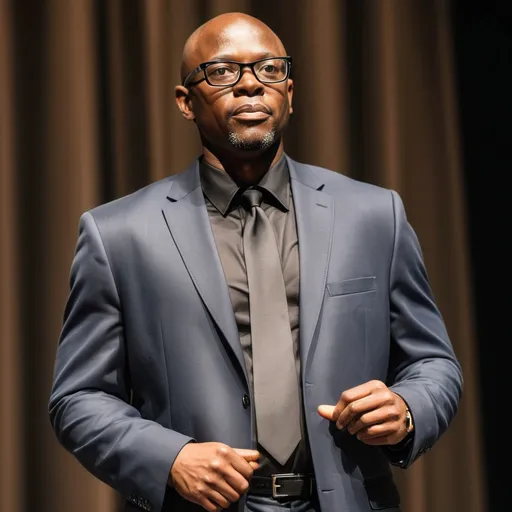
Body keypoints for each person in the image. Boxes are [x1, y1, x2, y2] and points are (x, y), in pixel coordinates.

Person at [48, 12, 463, 512]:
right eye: (223, 72)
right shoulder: (118, 234)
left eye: (269, 70)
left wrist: (408, 408)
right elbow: (78, 397)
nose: (250, 87)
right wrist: (170, 457)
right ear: (185, 102)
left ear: (290, 92)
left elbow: (433, 363)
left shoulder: (374, 214)